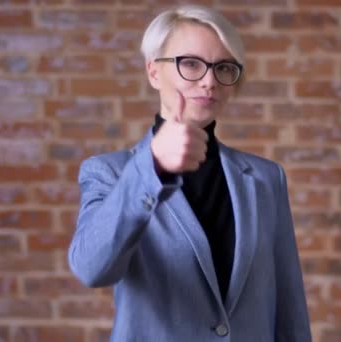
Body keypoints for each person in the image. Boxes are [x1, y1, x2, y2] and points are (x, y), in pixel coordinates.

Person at [68, 4, 312, 341]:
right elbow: (91, 268)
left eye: (224, 67)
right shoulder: (110, 173)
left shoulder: (266, 178)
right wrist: (151, 167)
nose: (210, 81)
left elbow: (289, 310)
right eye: (191, 64)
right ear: (154, 72)